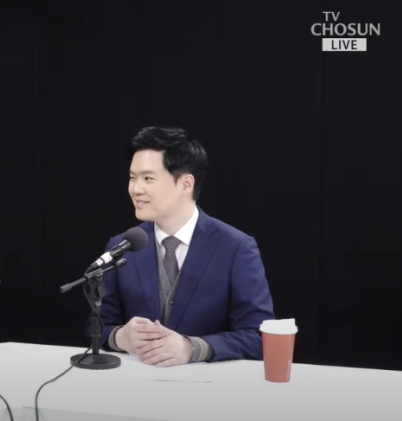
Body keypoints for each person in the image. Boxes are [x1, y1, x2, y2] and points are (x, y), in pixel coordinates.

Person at [98, 126, 274, 366]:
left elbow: (258, 336)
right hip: (136, 380)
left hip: (210, 383)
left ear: (186, 184)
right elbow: (97, 326)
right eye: (132, 177)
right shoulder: (122, 246)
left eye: (148, 178)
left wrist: (193, 348)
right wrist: (119, 337)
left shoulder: (236, 248)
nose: (136, 189)